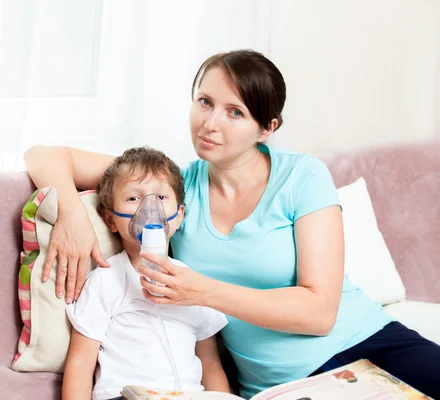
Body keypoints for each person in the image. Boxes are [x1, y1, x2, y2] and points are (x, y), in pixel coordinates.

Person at [24, 50, 440, 399]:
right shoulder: (174, 188)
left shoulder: (302, 177)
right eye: (204, 101)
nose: (210, 123)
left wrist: (202, 291)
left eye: (234, 112)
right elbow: (43, 156)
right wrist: (72, 216)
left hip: (372, 341)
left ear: (266, 128)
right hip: (285, 384)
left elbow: (320, 313)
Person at [61, 147, 230, 400]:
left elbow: (211, 365)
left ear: (179, 215)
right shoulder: (106, 280)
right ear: (110, 220)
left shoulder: (194, 285)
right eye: (133, 199)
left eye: (161, 197)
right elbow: (80, 364)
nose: (149, 209)